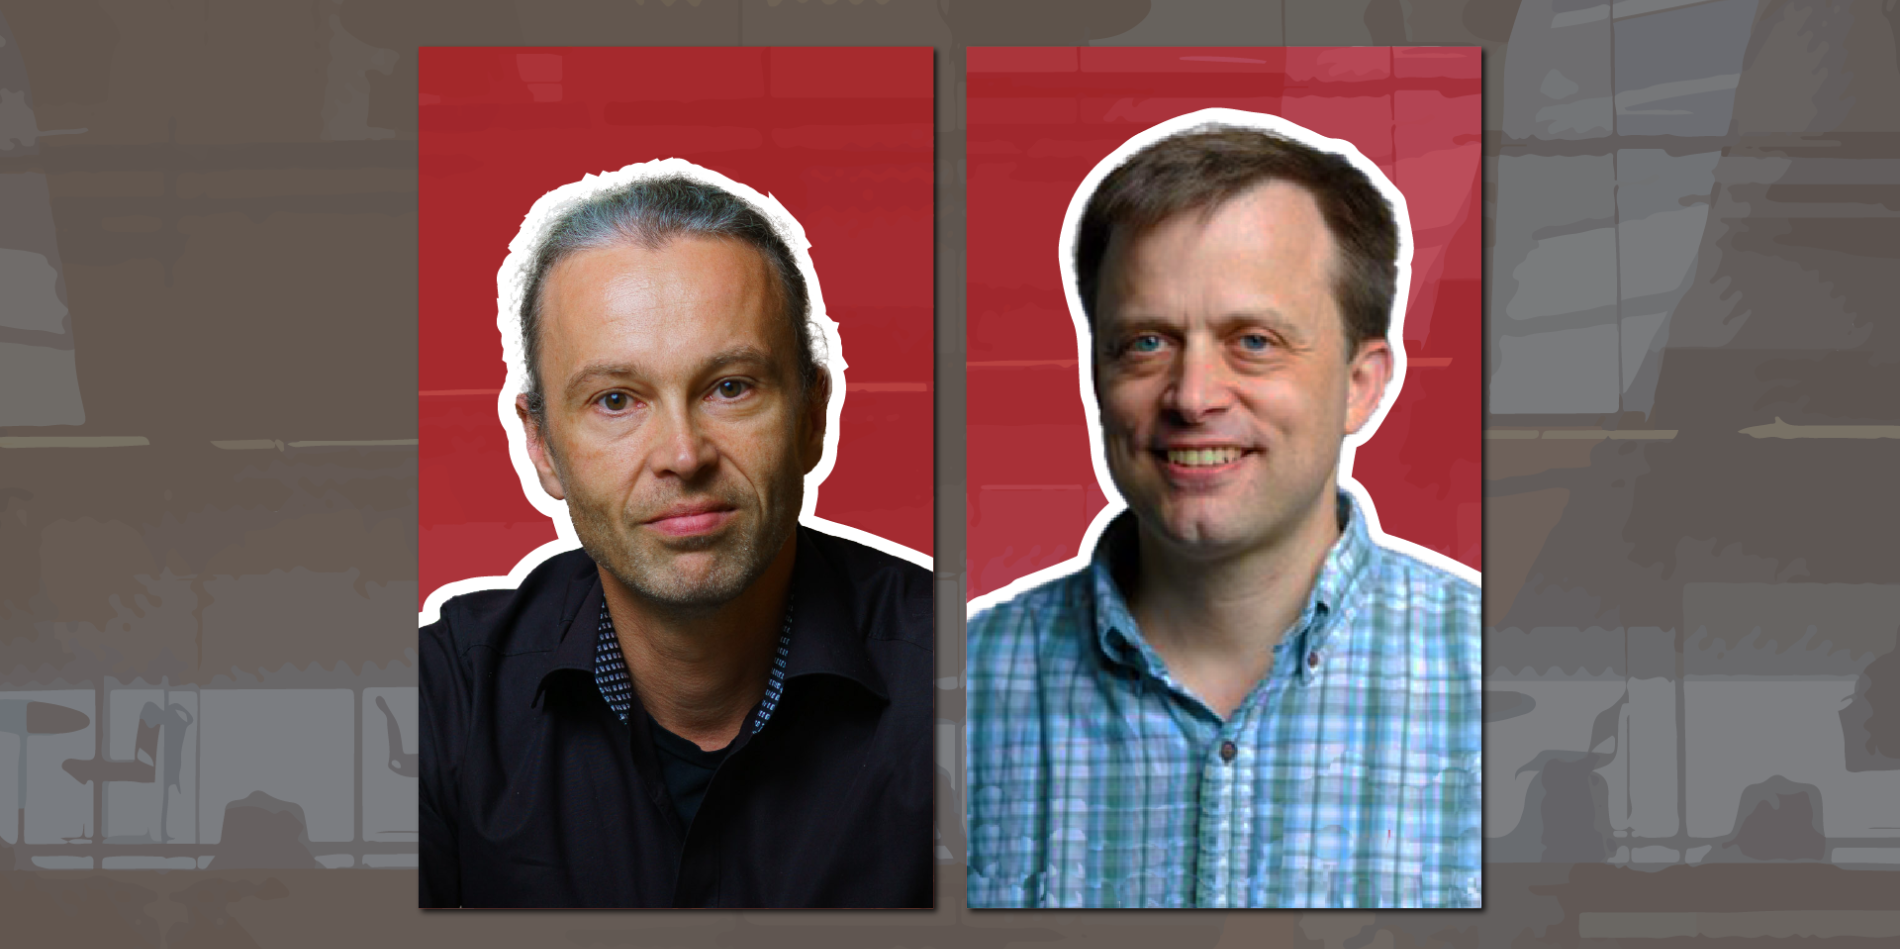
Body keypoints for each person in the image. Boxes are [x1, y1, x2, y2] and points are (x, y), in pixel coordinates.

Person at [964, 120, 1482, 909]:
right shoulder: (949, 693)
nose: (1193, 395)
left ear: (1362, 384)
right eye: (1146, 342)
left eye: (1254, 341)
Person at [420, 171, 933, 908]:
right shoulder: (443, 702)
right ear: (541, 446)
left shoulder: (971, 684)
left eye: (731, 387)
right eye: (616, 400)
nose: (683, 455)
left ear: (813, 416)